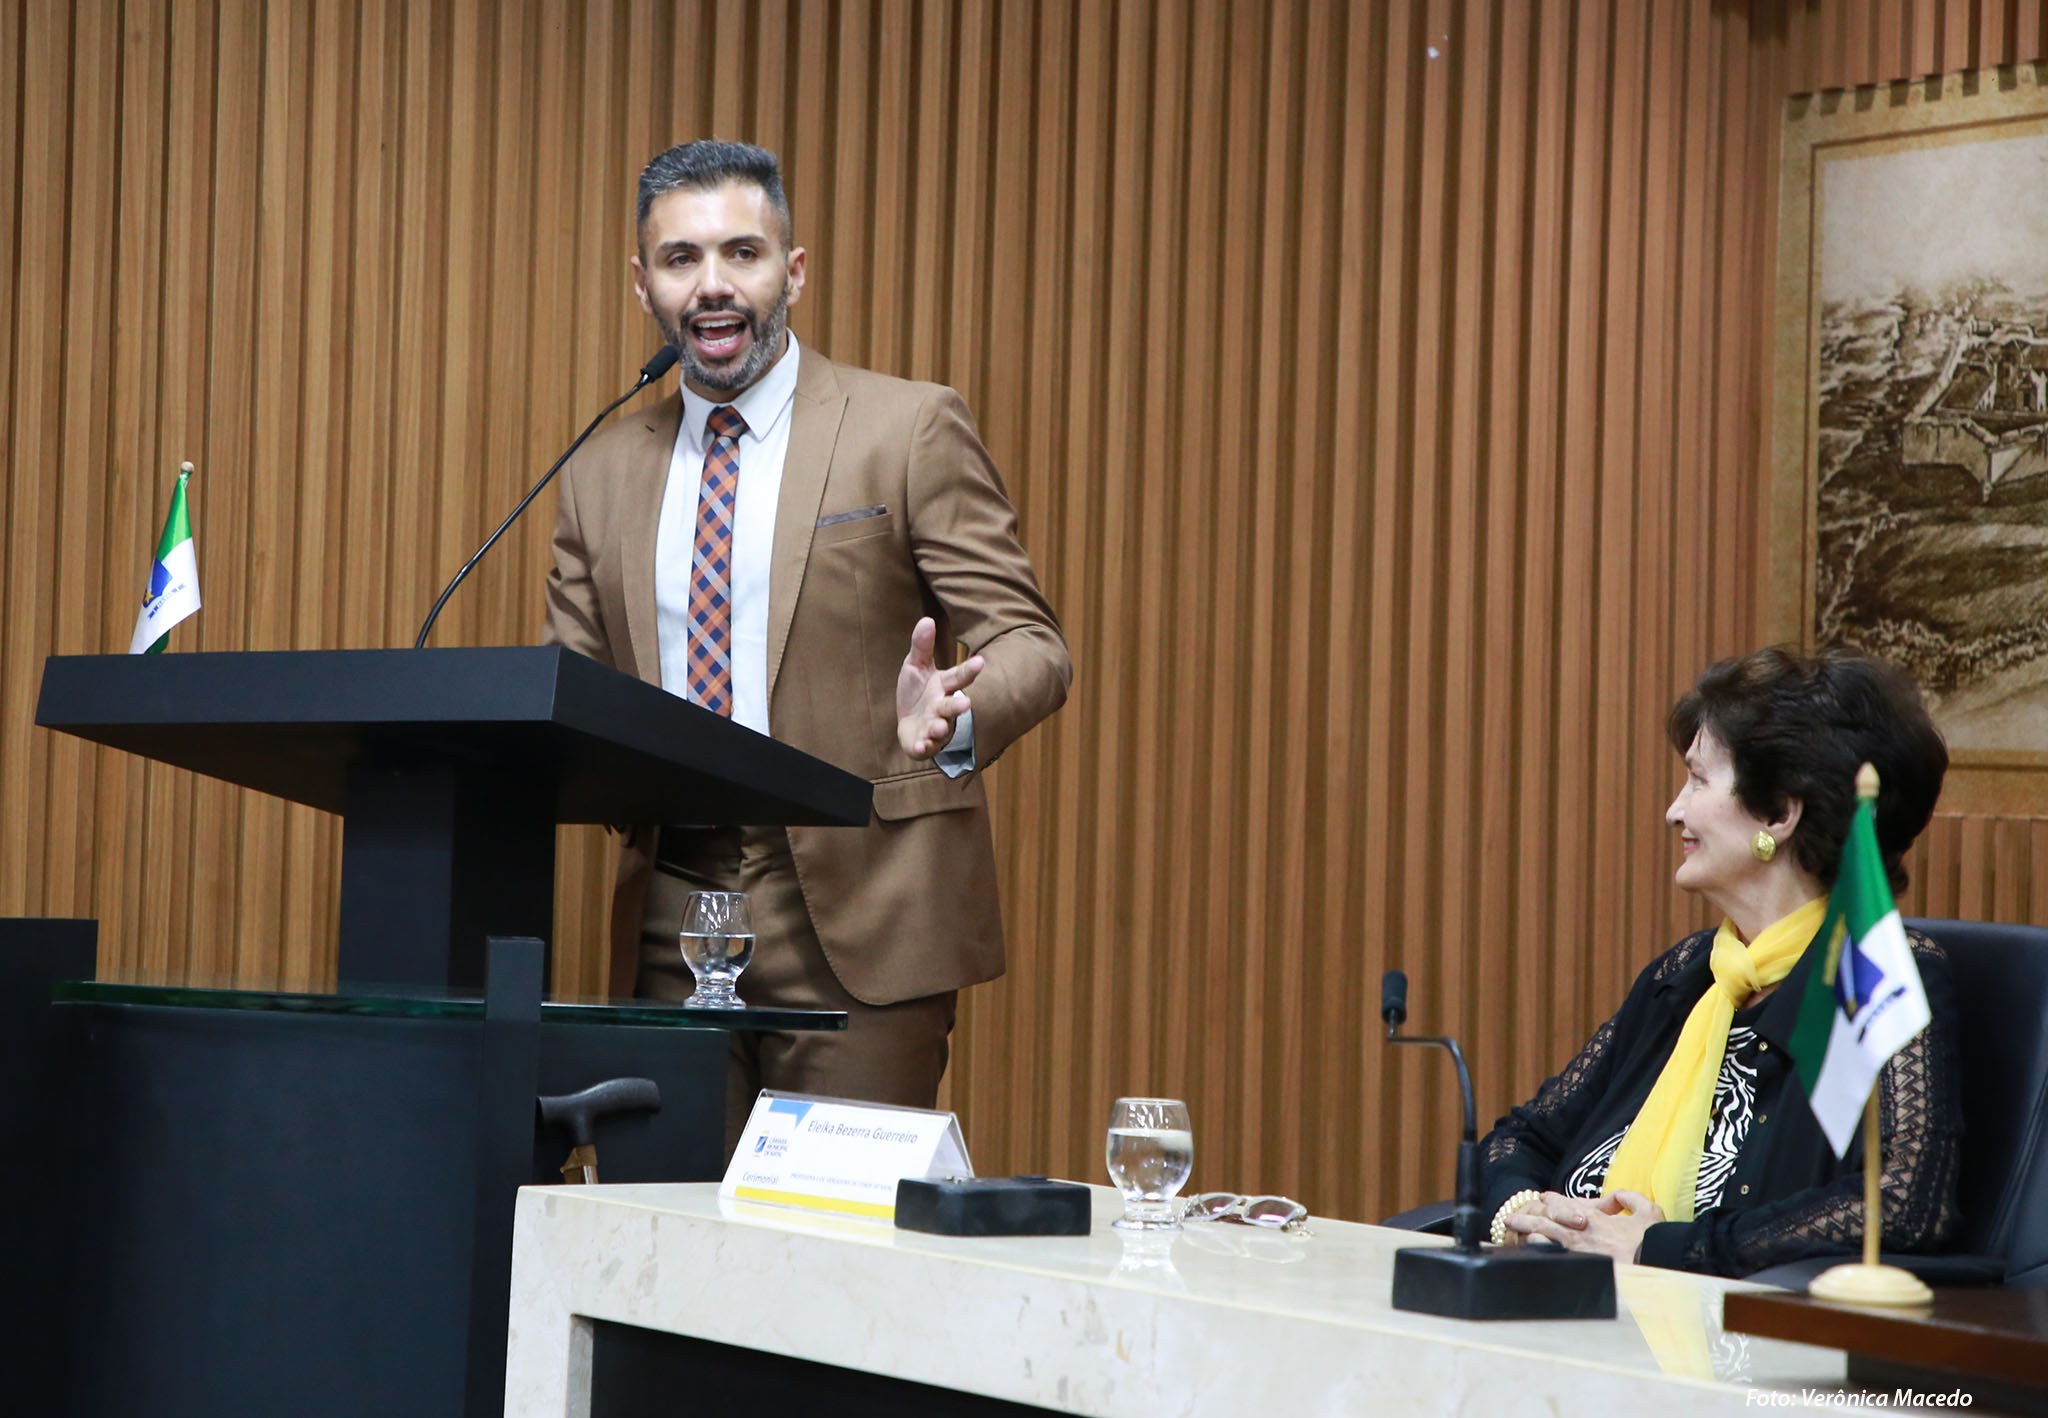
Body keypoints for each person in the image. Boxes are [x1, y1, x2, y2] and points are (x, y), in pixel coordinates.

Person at [544, 140, 1070, 1134]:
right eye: (681, 258)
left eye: (741, 253)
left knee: (833, 1224)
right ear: (643, 284)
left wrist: (957, 712)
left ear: (791, 272)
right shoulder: (598, 470)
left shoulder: (906, 427)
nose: (712, 284)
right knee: (663, 1216)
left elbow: (1031, 642)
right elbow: (567, 691)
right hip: (671, 906)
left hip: (863, 902)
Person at [1479, 648, 1959, 1277]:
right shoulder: (1688, 975)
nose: (1674, 810)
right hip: (1556, 1301)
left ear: (1778, 814)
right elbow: (1522, 1137)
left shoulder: (1878, 980)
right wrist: (1526, 1216)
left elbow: (1903, 1204)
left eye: (1698, 780)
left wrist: (1660, 1249)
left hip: (1724, 1331)